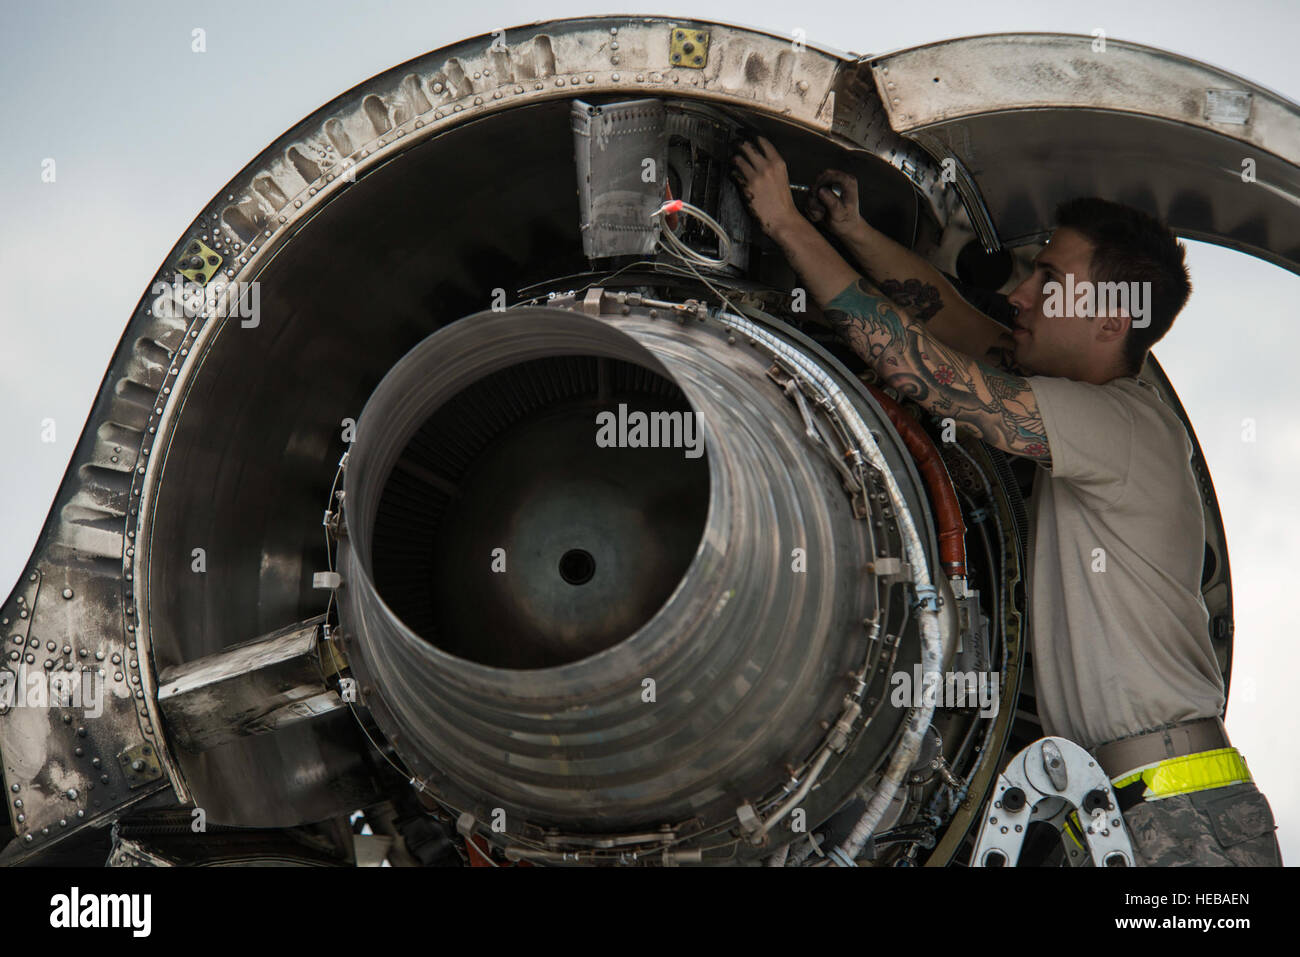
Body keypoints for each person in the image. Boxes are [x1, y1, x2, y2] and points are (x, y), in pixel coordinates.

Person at [732, 135, 1283, 866]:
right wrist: (854, 231)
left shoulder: (1122, 424)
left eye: (1048, 280)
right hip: (1122, 806)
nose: (1020, 294)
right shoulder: (1093, 398)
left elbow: (929, 374)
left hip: (1175, 824)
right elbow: (957, 328)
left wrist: (785, 225)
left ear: (1108, 320)